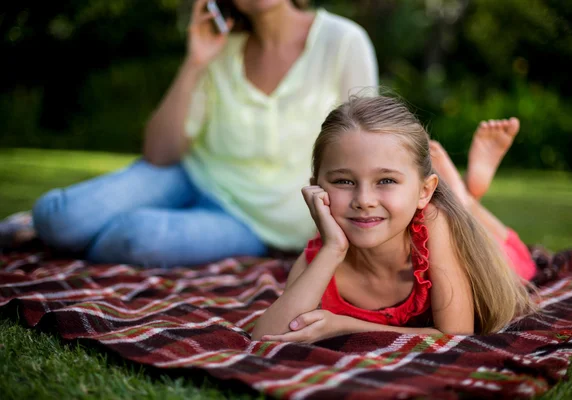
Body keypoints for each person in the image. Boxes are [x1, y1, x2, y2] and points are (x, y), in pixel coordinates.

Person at [29, 0, 378, 267]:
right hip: (186, 176)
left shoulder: (344, 42)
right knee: (58, 218)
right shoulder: (220, 45)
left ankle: (65, 244)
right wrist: (195, 61)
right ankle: (48, 234)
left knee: (136, 237)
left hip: (252, 222)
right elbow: (159, 153)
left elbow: (364, 149)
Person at [251, 96, 536, 342]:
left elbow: (456, 336)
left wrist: (342, 326)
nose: (364, 200)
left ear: (424, 192)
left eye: (385, 180)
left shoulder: (433, 224)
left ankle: (467, 201)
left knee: (519, 261)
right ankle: (462, 197)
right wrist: (333, 250)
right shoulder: (318, 261)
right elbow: (264, 337)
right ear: (316, 189)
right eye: (344, 181)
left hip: (494, 257)